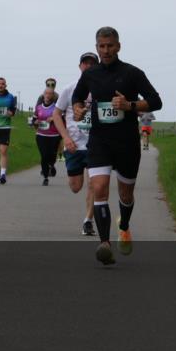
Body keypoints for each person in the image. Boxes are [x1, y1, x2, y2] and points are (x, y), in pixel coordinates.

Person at [72, 27, 162, 266]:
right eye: (101, 46)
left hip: (126, 143)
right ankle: (104, 244)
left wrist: (129, 105)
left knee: (125, 193)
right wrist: (79, 107)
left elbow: (156, 101)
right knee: (99, 188)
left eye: (110, 45)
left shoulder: (132, 73)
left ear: (118, 46)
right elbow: (78, 97)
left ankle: (123, 226)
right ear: (97, 46)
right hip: (100, 141)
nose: (106, 50)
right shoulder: (90, 75)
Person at [53, 51, 99, 236]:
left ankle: (88, 221)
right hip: (74, 144)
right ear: (80, 66)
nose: (88, 66)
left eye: (92, 64)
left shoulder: (102, 88)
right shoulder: (69, 89)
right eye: (85, 63)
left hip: (96, 144)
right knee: (76, 187)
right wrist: (66, 137)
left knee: (95, 184)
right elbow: (56, 114)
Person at [32, 87, 61, 185]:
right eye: (46, 93)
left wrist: (53, 118)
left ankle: (51, 165)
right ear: (43, 95)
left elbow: (62, 118)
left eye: (50, 94)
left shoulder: (56, 108)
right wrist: (35, 122)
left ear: (53, 96)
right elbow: (33, 120)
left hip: (54, 135)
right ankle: (45, 177)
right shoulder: (39, 107)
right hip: (41, 135)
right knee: (44, 155)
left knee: (52, 155)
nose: (48, 95)